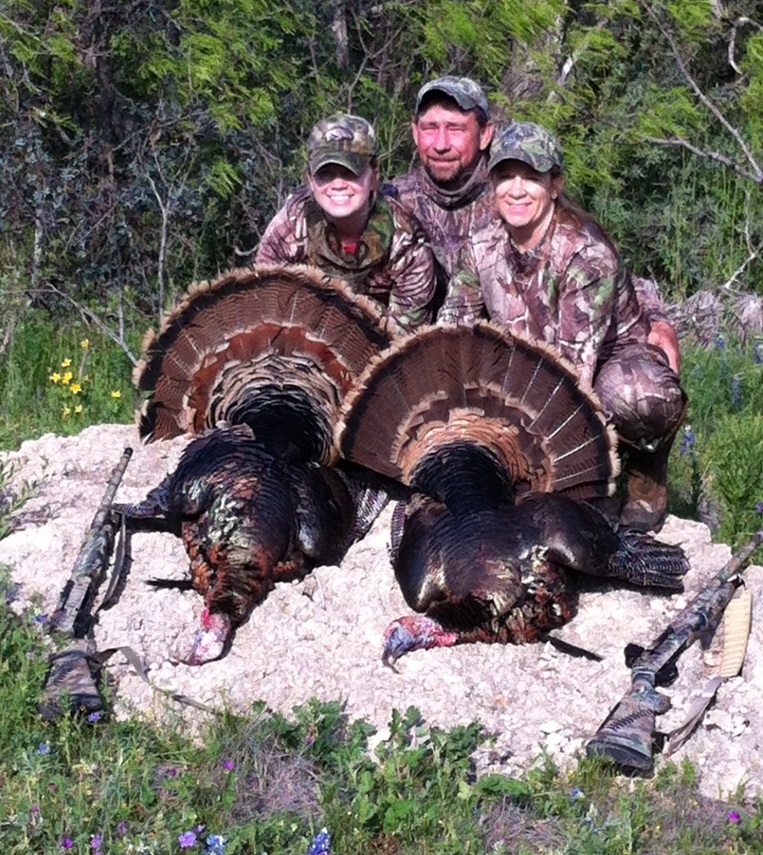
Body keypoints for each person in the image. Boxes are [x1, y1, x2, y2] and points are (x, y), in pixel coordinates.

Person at [444, 121, 686, 532]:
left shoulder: (586, 254)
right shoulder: (480, 248)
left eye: (531, 177)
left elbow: (574, 374)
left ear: (555, 184)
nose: (516, 189)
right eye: (505, 176)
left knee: (637, 396)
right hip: (525, 365)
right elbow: (451, 333)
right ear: (492, 183)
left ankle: (643, 469)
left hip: (604, 364)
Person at [256, 113, 436, 332]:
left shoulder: (407, 243)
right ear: (310, 181)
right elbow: (266, 311)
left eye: (351, 173)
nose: (338, 184)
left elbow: (404, 337)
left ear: (374, 176)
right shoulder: (288, 229)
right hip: (302, 341)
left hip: (377, 352)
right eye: (326, 174)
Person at [387, 76, 495, 309]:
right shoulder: (391, 202)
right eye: (430, 128)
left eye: (456, 129)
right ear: (415, 132)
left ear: (485, 135)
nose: (441, 144)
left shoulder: (514, 203)